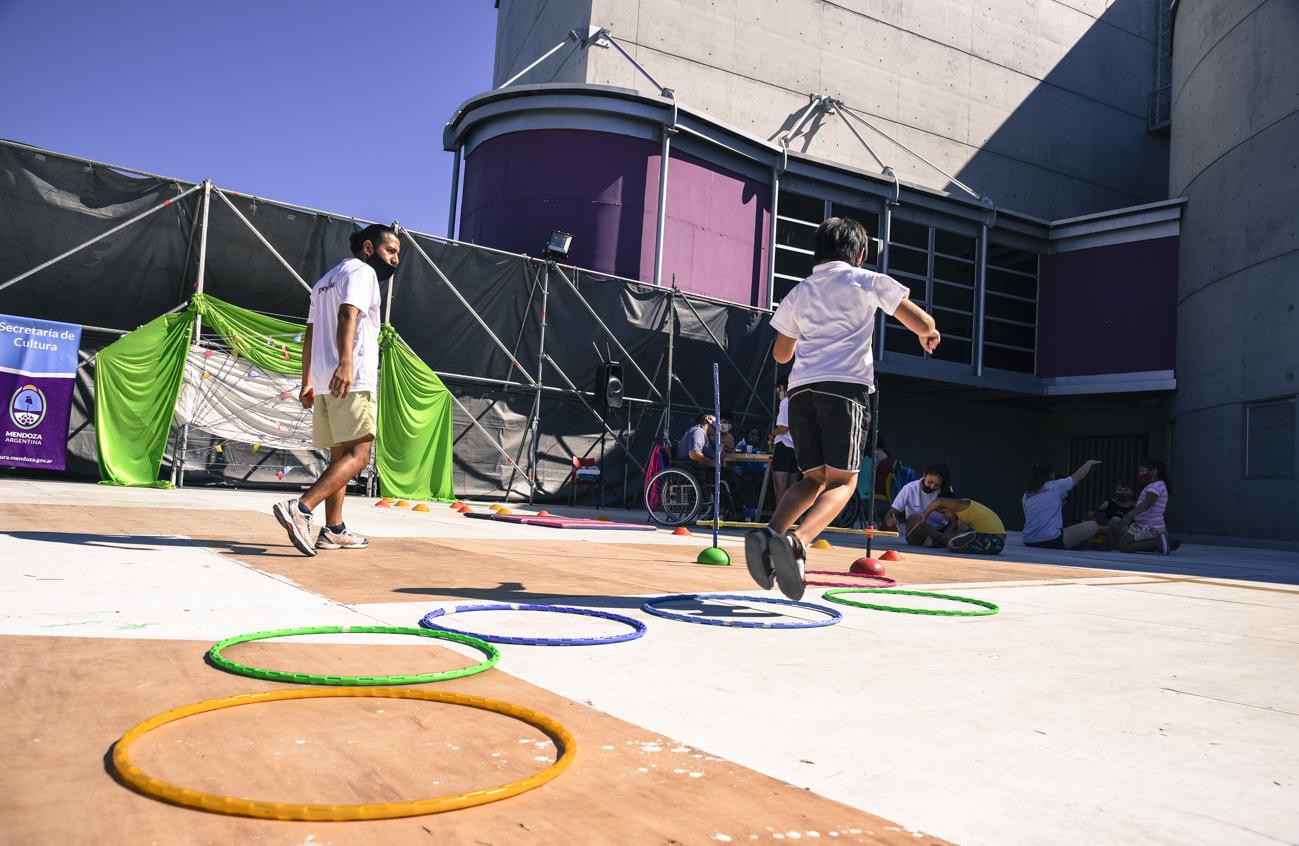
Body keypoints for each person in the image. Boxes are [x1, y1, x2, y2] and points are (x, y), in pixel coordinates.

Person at [744, 217, 940, 599]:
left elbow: (781, 354)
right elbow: (918, 319)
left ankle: (771, 534)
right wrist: (928, 331)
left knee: (811, 479)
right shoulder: (865, 281)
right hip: (845, 391)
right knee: (843, 482)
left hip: (800, 394)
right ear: (860, 254)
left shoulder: (800, 291)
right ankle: (798, 542)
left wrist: (804, 335)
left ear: (816, 253)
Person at [272, 223, 399, 556]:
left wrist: (308, 380)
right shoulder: (363, 272)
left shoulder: (324, 281)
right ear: (369, 248)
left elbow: (310, 333)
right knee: (359, 456)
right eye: (391, 251)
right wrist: (346, 363)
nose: (395, 259)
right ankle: (301, 508)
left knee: (340, 457)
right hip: (351, 377)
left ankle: (334, 529)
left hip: (326, 381)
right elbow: (348, 314)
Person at [1021, 459, 1102, 549]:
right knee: (1092, 526)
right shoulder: (1055, 486)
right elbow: (1078, 476)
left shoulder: (1026, 495)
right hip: (1051, 539)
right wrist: (1089, 463)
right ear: (1051, 474)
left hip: (1028, 540)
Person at [1109, 458, 1175, 553]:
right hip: (1142, 525)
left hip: (1150, 526)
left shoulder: (1156, 486)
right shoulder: (1156, 485)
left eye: (1142, 470)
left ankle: (1157, 542)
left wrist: (1128, 516)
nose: (1140, 474)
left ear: (1154, 472)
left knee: (1124, 547)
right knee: (1122, 545)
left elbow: (1146, 504)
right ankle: (1158, 543)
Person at [885, 462, 956, 546]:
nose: (932, 487)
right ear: (924, 475)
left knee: (963, 527)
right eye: (930, 482)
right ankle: (941, 540)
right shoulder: (909, 489)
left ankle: (935, 540)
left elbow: (953, 519)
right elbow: (892, 512)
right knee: (914, 519)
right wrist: (891, 520)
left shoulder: (946, 490)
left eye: (937, 485)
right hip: (916, 531)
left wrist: (948, 532)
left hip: (941, 529)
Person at [919, 496, 1007, 555]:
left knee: (952, 544)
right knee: (953, 543)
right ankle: (965, 537)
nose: (945, 516)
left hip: (994, 538)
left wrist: (925, 514)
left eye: (944, 512)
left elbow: (940, 501)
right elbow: (949, 533)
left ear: (950, 505)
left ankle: (966, 537)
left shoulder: (962, 505)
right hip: (994, 547)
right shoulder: (961, 519)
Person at [769, 379, 798, 502]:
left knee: (780, 486)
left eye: (778, 389)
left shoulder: (785, 402)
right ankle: (793, 513)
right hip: (796, 448)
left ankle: (780, 513)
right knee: (793, 486)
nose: (778, 392)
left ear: (782, 387)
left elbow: (783, 428)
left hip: (783, 446)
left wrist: (772, 433)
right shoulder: (800, 400)